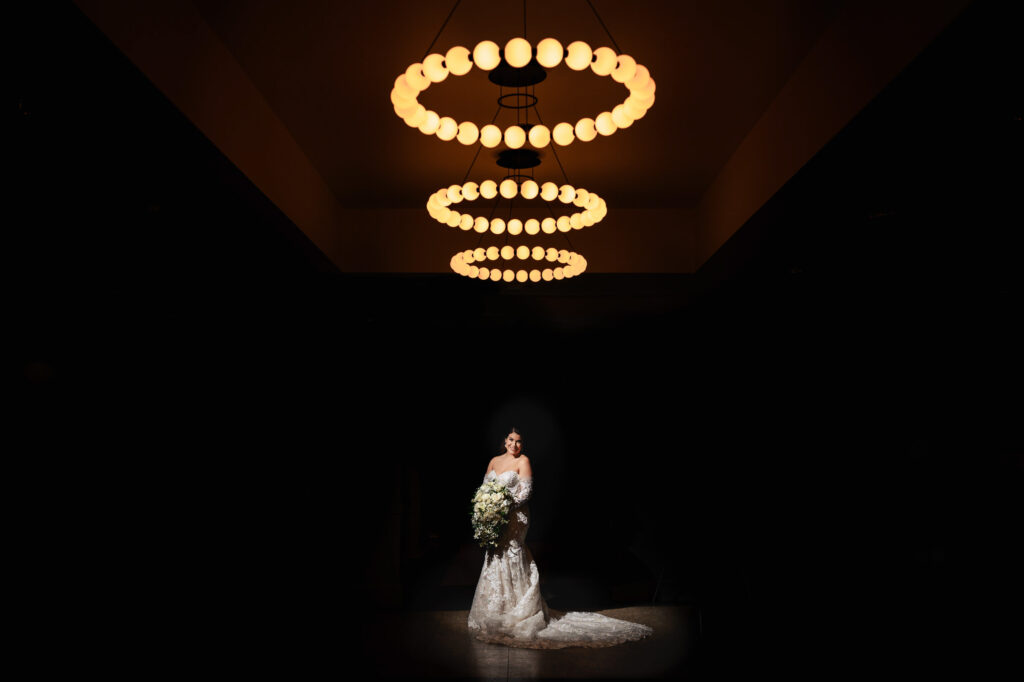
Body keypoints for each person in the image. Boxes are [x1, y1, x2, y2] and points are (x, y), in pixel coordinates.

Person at [467, 428, 653, 648]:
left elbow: (525, 493)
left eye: (519, 442)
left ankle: (517, 609)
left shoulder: (524, 461)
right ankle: (495, 608)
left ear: (522, 445)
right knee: (494, 553)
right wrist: (486, 509)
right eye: (511, 440)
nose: (514, 445)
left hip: (515, 517)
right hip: (496, 518)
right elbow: (484, 489)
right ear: (504, 440)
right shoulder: (494, 461)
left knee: (512, 553)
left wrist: (501, 507)